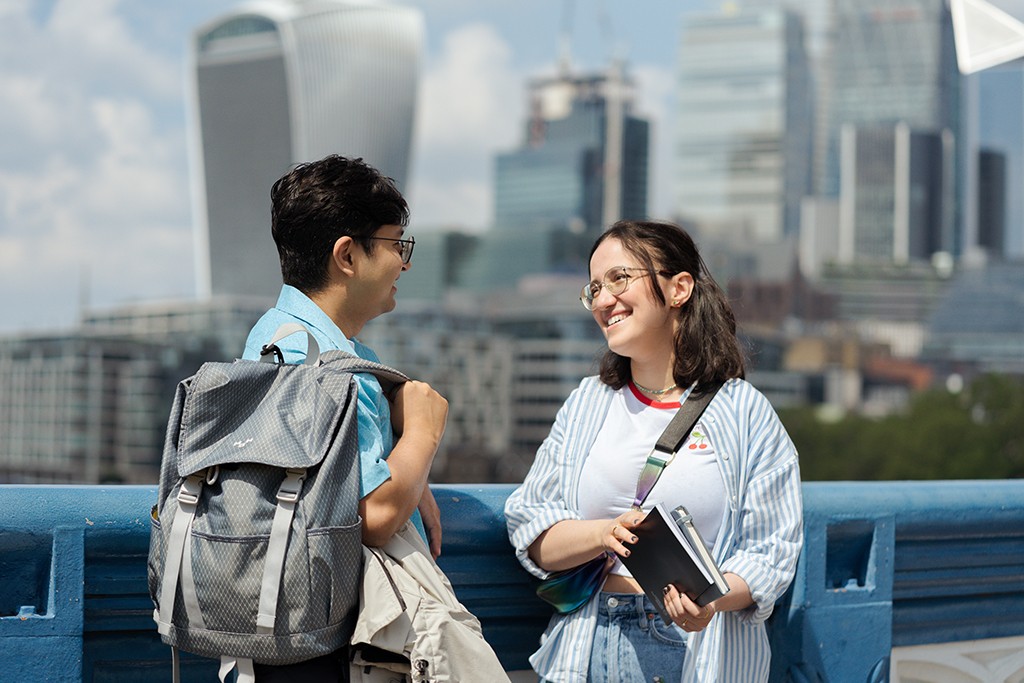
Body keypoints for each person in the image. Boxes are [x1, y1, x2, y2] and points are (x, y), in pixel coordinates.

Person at [504, 220, 803, 683]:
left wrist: (710, 602)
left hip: (695, 651)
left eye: (620, 279)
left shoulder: (743, 411)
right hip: (584, 643)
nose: (604, 300)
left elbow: (772, 551)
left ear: (679, 287)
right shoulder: (588, 401)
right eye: (594, 289)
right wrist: (604, 533)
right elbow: (531, 523)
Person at [242, 154, 448, 680]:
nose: (405, 262)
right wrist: (422, 433)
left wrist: (401, 465)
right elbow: (376, 516)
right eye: (397, 244)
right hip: (323, 651)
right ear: (348, 256)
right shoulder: (327, 368)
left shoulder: (275, 335)